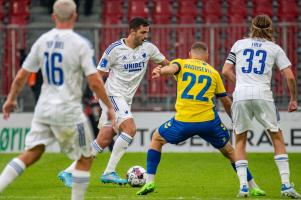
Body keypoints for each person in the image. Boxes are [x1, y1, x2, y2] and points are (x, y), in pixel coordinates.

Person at [0, 1, 115, 200]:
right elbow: (95, 80)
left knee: (32, 153)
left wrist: (11, 99)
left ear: (53, 16)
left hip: (43, 109)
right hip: (69, 111)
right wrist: (109, 106)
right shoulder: (80, 44)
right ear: (75, 16)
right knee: (86, 157)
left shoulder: (42, 41)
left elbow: (21, 76)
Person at [136, 42, 265, 196]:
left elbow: (172, 68)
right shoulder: (213, 72)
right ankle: (253, 186)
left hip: (184, 121)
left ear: (190, 54)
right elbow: (225, 101)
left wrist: (161, 71)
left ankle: (150, 181)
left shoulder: (182, 63)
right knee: (230, 151)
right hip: (209, 122)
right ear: (207, 55)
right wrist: (235, 120)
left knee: (157, 139)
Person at [59, 17, 169, 185]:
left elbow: (167, 63)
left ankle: (69, 172)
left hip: (126, 99)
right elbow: (99, 73)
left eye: (147, 32)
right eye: (142, 32)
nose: (146, 36)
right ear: (132, 32)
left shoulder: (149, 48)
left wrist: (161, 69)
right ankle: (109, 172)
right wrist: (96, 92)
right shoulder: (114, 50)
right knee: (130, 129)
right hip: (113, 95)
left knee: (103, 139)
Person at [222, 15, 301, 198]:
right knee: (277, 137)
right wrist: (293, 98)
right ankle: (286, 185)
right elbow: (289, 75)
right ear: (271, 28)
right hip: (263, 94)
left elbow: (226, 70)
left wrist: (240, 82)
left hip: (240, 95)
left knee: (240, 139)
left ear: (252, 27)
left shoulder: (239, 44)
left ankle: (243, 187)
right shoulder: (275, 48)